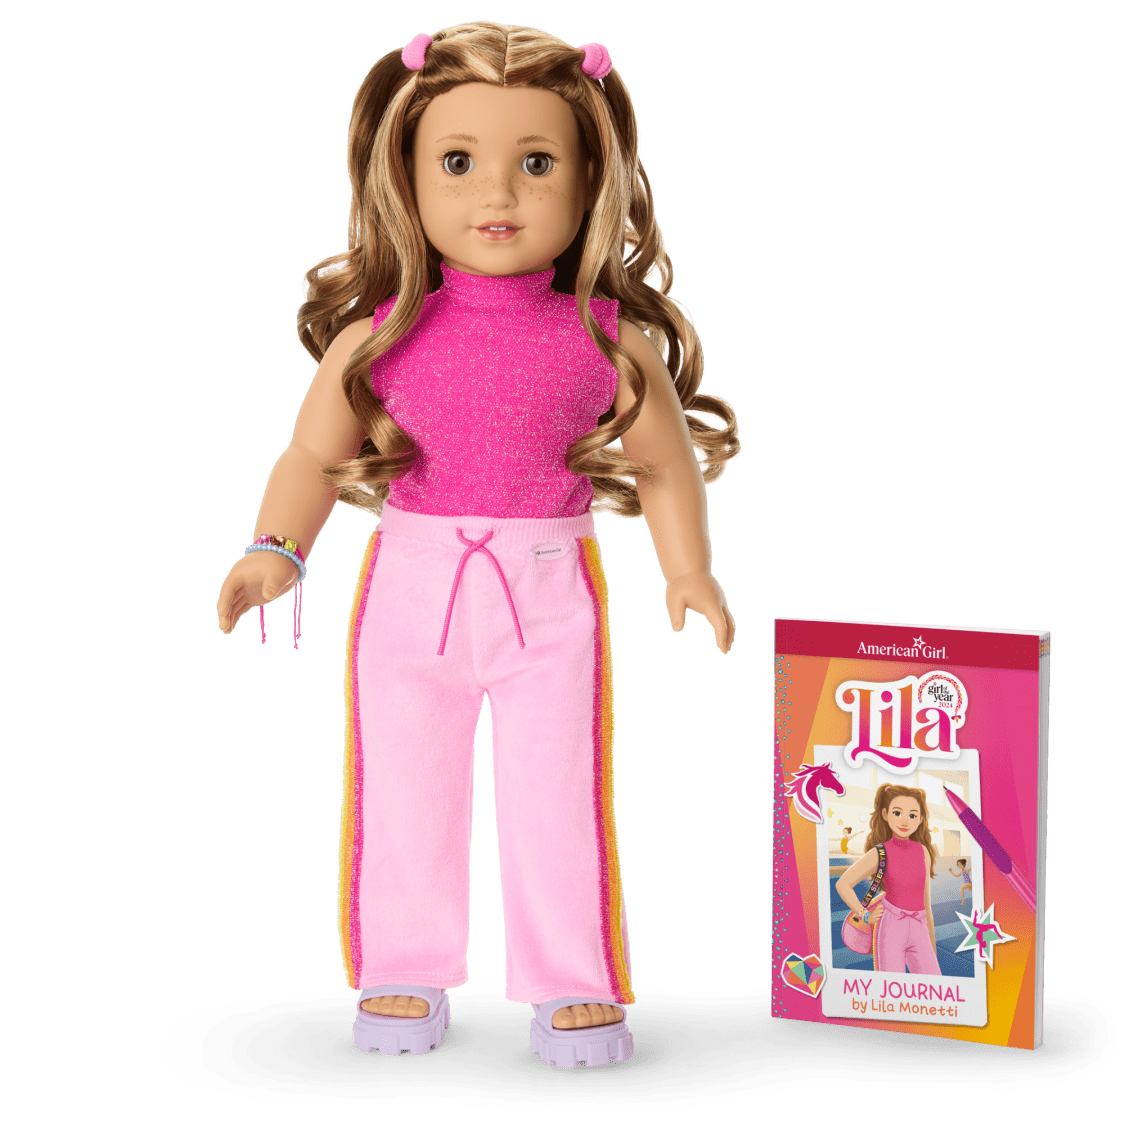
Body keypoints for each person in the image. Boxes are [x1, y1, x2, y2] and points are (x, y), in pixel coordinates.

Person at [214, 21, 741, 1068]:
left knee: (560, 792)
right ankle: (402, 967)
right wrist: (276, 546)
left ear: (591, 179)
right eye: (457, 162)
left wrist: (689, 567)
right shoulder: (380, 331)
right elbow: (312, 454)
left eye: (536, 163)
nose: (496, 194)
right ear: (404, 177)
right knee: (403, 784)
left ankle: (573, 979)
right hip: (410, 581)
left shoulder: (605, 337)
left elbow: (665, 462)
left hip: (551, 585)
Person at [835, 784, 941, 975]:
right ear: (885, 814)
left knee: (934, 982)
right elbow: (843, 884)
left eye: (912, 815)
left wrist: (932, 949)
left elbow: (927, 903)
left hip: (920, 926)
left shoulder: (923, 851)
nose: (905, 821)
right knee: (890, 986)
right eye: (897, 813)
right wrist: (865, 915)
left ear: (920, 819)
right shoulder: (880, 852)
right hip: (891, 927)